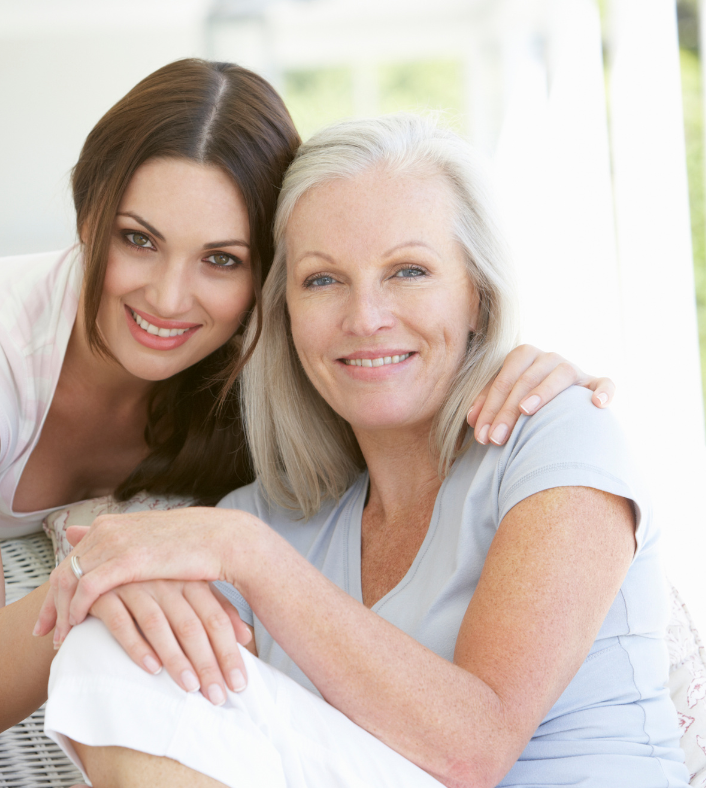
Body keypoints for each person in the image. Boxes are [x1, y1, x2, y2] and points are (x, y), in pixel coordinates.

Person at [0, 58, 611, 754]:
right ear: (88, 216)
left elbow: (395, 369)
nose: (169, 296)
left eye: (221, 258)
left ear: (268, 277)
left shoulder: (259, 367)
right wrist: (100, 573)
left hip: (73, 690)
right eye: (136, 239)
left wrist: (520, 368)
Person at [39, 114, 685, 788]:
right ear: (284, 315)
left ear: (479, 299)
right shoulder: (269, 518)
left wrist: (246, 552)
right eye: (322, 280)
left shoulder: (558, 433)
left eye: (409, 271)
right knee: (105, 652)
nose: (366, 317)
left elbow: (475, 748)